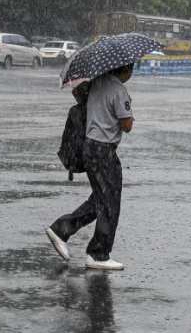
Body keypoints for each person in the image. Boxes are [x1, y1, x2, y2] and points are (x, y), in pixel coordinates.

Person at [46, 64, 134, 270]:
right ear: (126, 70)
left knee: (101, 199)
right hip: (104, 150)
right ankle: (98, 254)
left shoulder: (96, 83)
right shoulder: (118, 90)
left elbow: (80, 97)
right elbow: (127, 125)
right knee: (110, 203)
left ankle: (62, 229)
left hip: (90, 147)